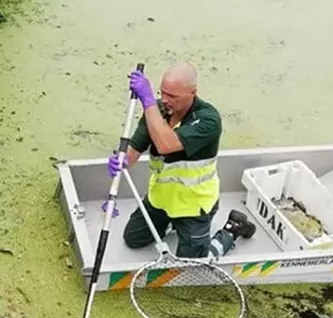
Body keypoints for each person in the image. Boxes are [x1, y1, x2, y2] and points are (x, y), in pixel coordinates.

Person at [104, 61, 256, 259]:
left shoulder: (208, 120)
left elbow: (166, 144)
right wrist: (121, 160)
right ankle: (171, 223)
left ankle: (232, 229)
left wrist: (148, 100)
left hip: (194, 206)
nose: (165, 100)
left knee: (191, 264)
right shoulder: (157, 112)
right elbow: (132, 154)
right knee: (133, 239)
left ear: (192, 92)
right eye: (162, 93)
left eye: (172, 96)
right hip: (161, 200)